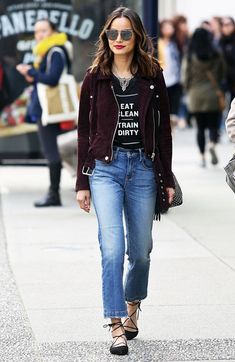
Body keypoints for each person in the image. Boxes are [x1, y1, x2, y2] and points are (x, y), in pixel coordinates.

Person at [75, 6, 175, 356]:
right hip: (105, 169)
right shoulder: (94, 77)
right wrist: (81, 183)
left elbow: (163, 130)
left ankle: (133, 304)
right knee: (112, 248)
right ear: (106, 37)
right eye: (112, 34)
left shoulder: (152, 75)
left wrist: (168, 176)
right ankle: (115, 323)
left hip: (144, 170)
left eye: (125, 33)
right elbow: (85, 131)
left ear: (137, 37)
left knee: (141, 251)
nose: (118, 40)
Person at [16, 19, 73, 207]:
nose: (39, 35)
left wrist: (32, 71)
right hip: (51, 108)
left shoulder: (55, 51)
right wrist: (31, 75)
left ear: (53, 31)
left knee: (52, 152)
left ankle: (53, 194)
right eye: (36, 32)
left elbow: (52, 79)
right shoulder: (47, 52)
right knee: (62, 150)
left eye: (43, 30)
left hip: (51, 110)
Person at [182, 27, 225, 167]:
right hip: (213, 94)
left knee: (200, 128)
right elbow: (221, 74)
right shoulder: (216, 54)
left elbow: (186, 76)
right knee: (213, 125)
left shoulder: (190, 55)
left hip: (196, 95)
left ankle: (202, 157)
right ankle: (212, 143)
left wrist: (188, 89)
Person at [158, 19, 182, 128]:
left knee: (173, 107)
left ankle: (172, 128)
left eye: (170, 27)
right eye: (166, 27)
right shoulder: (158, 43)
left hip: (174, 78)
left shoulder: (175, 43)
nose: (169, 30)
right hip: (163, 78)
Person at [220, 17, 235, 101]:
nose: (226, 27)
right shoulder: (220, 42)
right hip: (224, 80)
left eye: (228, 24)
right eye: (223, 25)